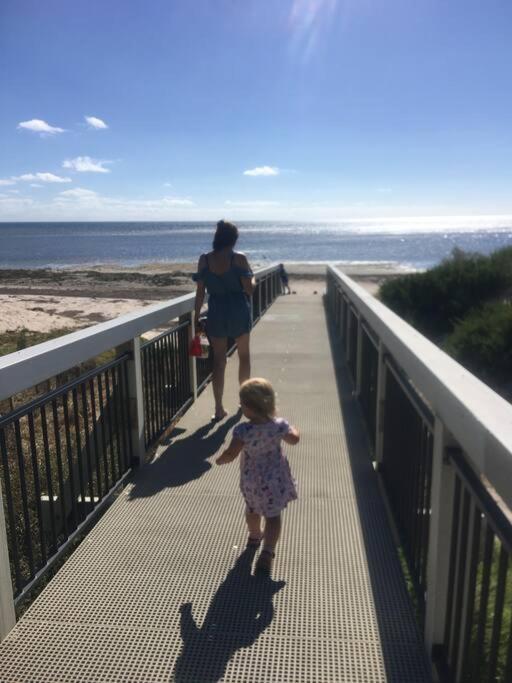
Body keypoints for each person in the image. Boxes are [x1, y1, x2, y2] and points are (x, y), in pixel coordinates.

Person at [216, 378, 300, 573]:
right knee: (273, 516)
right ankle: (268, 552)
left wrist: (221, 459)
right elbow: (294, 440)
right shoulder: (278, 425)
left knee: (252, 509)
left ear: (247, 407)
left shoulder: (243, 430)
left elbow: (232, 453)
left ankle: (254, 535)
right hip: (276, 480)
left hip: (252, 481)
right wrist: (292, 428)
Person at [193, 220, 255, 421]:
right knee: (244, 356)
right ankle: (244, 402)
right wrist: (252, 278)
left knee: (219, 361)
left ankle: (218, 408)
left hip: (216, 311)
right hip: (238, 309)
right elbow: (249, 289)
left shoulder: (205, 259)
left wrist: (196, 315)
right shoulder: (239, 258)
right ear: (234, 239)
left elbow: (200, 292)